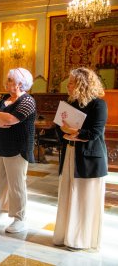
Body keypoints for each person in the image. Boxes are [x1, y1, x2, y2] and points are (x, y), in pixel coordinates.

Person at [53, 67, 108, 251]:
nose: (67, 86)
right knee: (68, 194)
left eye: (71, 83)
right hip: (70, 153)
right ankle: (65, 235)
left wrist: (74, 132)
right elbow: (58, 127)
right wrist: (64, 132)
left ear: (82, 85)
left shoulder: (98, 105)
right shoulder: (70, 104)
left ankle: (81, 239)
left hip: (89, 157)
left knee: (84, 198)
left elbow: (95, 132)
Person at [0, 68, 36, 233]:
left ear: (21, 83)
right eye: (8, 80)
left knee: (17, 183)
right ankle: (3, 209)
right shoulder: (3, 98)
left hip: (17, 146)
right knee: (1, 180)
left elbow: (12, 119)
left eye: (11, 80)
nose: (8, 83)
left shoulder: (28, 101)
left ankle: (19, 217)